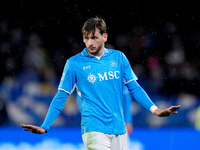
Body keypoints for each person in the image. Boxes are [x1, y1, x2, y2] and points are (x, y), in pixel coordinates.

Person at [21, 17, 181, 150]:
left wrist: (156, 111)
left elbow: (134, 88)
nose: (89, 42)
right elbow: (61, 96)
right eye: (86, 38)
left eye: (94, 37)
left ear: (105, 37)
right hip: (93, 128)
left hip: (119, 128)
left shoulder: (119, 58)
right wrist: (45, 126)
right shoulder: (74, 63)